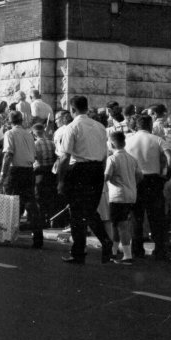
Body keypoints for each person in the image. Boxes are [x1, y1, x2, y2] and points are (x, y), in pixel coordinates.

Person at [57, 95, 114, 265]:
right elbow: (104, 155)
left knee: (76, 213)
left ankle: (79, 251)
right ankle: (105, 240)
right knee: (90, 210)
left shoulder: (72, 127)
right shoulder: (99, 126)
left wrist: (61, 180)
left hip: (79, 170)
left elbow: (65, 157)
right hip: (96, 170)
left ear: (73, 109)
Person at [126, 114, 171, 261]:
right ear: (150, 125)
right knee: (157, 217)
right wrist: (167, 176)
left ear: (136, 126)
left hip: (135, 179)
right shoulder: (157, 139)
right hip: (154, 179)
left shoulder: (128, 140)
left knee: (136, 217)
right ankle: (160, 250)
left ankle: (137, 250)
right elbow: (170, 158)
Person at [0, 110, 42, 248]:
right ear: (21, 120)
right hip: (28, 170)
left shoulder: (10, 133)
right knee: (31, 204)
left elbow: (8, 154)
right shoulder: (29, 135)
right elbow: (33, 154)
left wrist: (2, 175)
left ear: (10, 122)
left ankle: (5, 236)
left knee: (10, 203)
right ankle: (38, 237)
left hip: (15, 170)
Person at [105, 131, 141, 265]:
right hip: (131, 194)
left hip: (117, 196)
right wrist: (131, 183)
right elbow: (140, 175)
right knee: (117, 224)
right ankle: (114, 252)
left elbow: (107, 177)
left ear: (112, 143)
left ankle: (127, 255)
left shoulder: (112, 159)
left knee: (121, 225)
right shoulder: (132, 158)